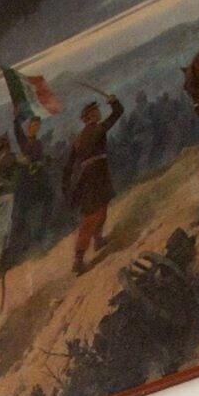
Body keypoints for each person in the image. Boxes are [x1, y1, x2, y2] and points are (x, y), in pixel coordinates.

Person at [62, 95, 124, 274]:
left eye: (97, 110)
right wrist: (113, 102)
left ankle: (98, 240)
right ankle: (78, 260)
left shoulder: (78, 138)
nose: (98, 113)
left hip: (96, 176)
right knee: (91, 218)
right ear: (89, 117)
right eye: (95, 111)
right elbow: (118, 113)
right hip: (94, 178)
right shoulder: (97, 129)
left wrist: (66, 186)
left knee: (102, 209)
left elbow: (68, 166)